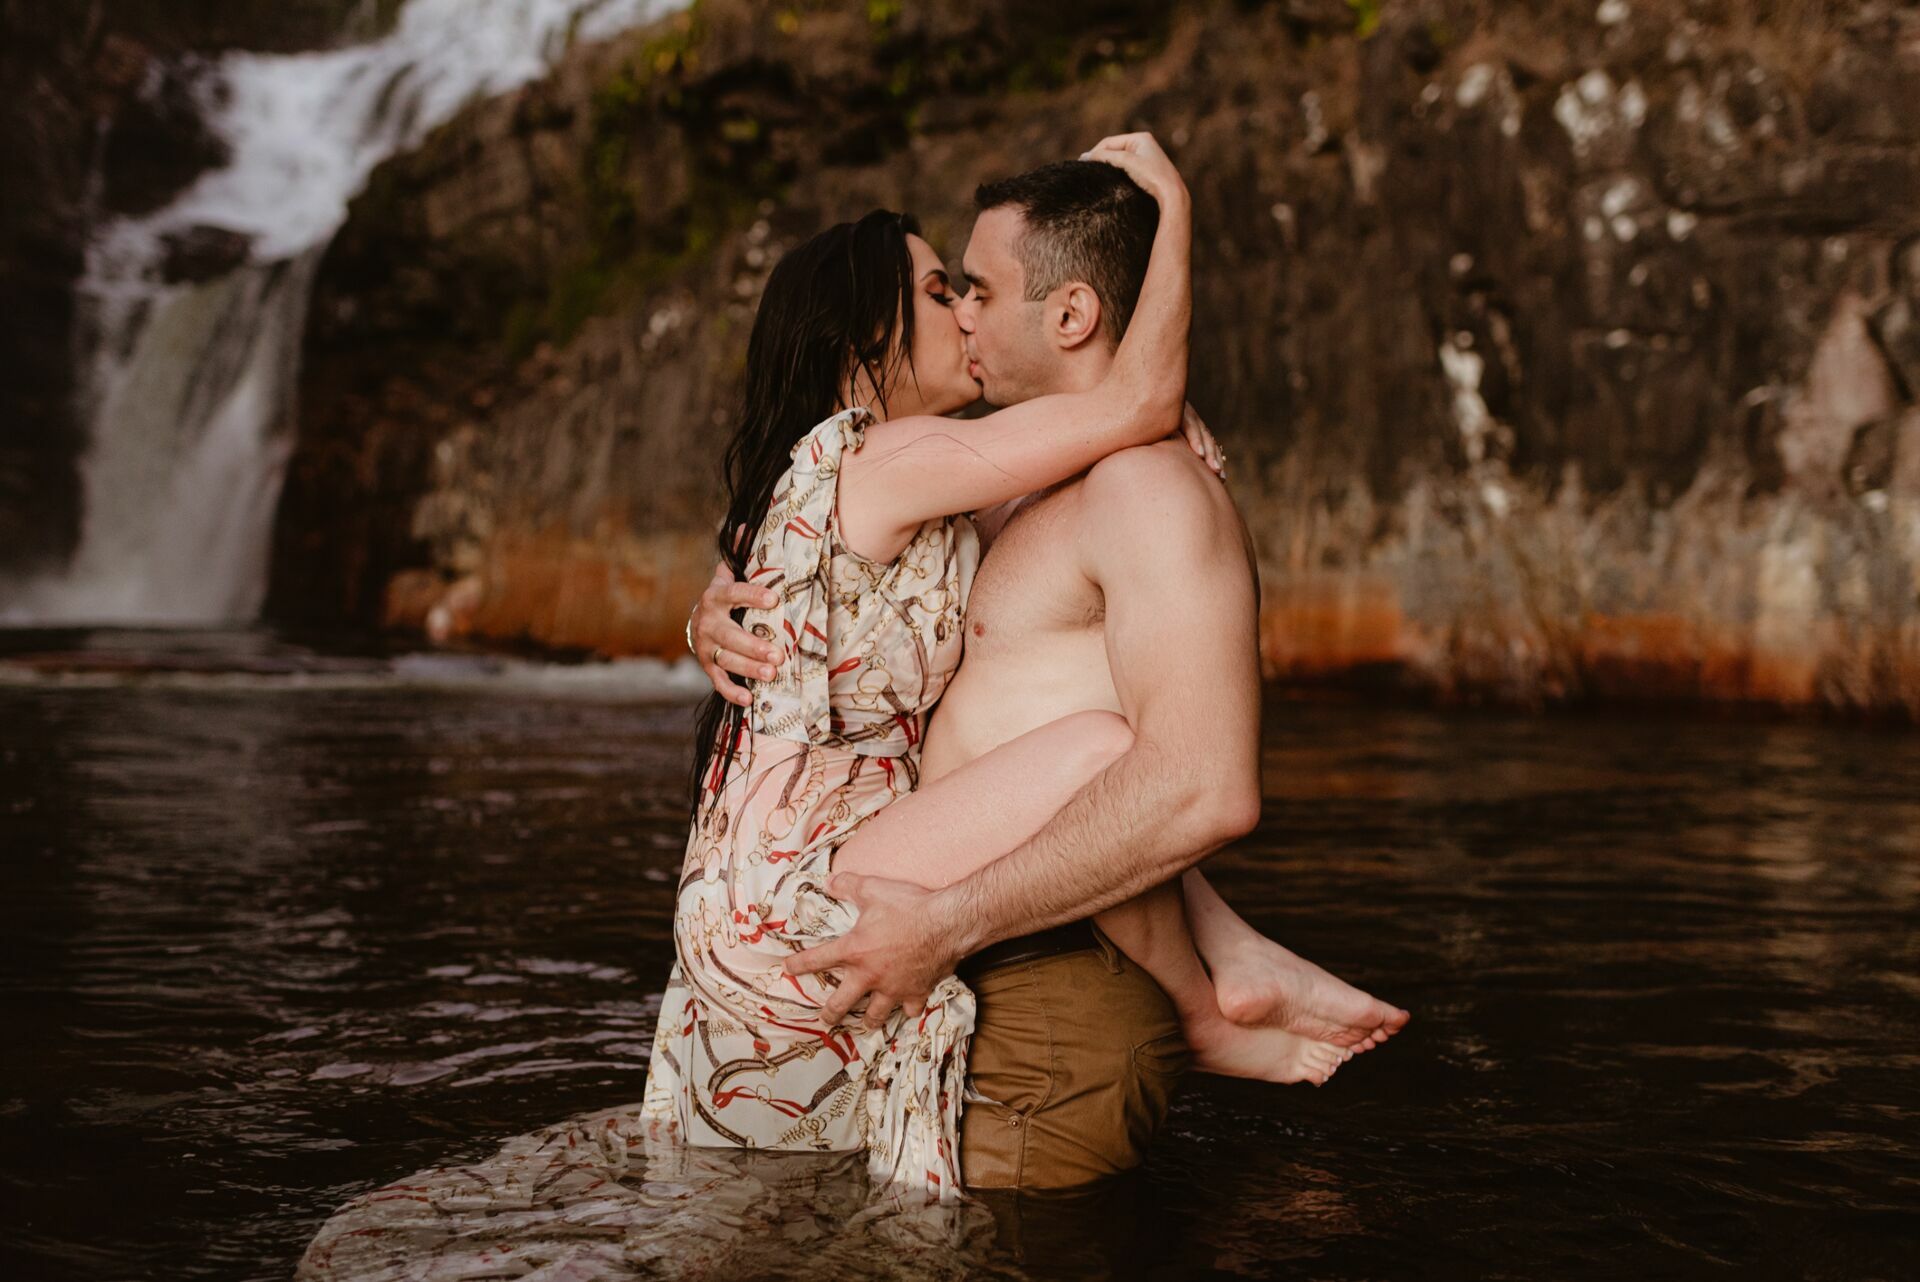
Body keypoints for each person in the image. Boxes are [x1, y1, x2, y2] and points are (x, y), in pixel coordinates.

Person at [687, 151, 1410, 1192]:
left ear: (1067, 315)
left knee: (1104, 755)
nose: (965, 314)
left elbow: (1196, 782)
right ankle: (1225, 982)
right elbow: (1129, 402)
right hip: (831, 886)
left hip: (901, 891)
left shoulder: (1064, 487)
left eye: (970, 289)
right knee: (1095, 754)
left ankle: (1228, 975)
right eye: (945, 292)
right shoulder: (924, 471)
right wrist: (709, 606)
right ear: (870, 341)